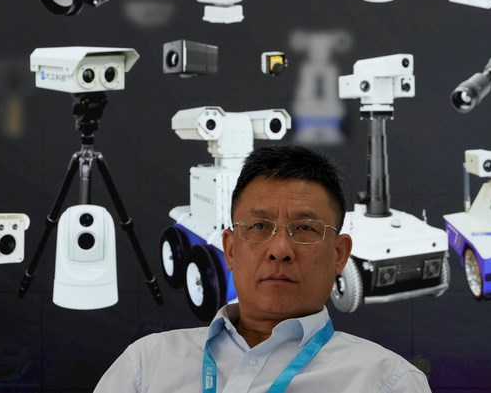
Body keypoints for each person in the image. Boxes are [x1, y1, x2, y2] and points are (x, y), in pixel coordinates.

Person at [94, 144, 432, 392]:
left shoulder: (388, 382)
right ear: (230, 249)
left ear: (339, 254)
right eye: (258, 226)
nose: (279, 250)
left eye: (305, 228)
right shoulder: (146, 365)